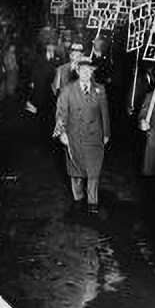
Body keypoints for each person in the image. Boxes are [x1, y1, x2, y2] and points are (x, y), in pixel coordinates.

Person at [54, 57, 110, 215]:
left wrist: (106, 133)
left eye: (89, 70)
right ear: (77, 71)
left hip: (94, 138)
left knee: (93, 172)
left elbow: (104, 113)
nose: (86, 73)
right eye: (83, 70)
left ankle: (93, 203)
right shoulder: (67, 90)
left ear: (92, 72)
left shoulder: (100, 89)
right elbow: (60, 114)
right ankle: (78, 198)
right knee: (77, 174)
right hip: (74, 138)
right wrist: (61, 133)